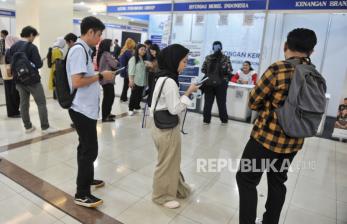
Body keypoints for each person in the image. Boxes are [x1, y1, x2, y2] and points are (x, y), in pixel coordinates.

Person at [236, 28, 318, 224]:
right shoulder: (314, 75)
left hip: (265, 140)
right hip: (294, 142)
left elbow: (253, 101)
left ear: (285, 46)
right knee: (277, 182)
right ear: (312, 51)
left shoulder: (278, 69)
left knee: (246, 179)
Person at [66, 16, 115, 208]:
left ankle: (87, 180)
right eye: (99, 34)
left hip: (85, 109)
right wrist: (102, 75)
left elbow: (84, 78)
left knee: (85, 148)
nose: (100, 38)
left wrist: (98, 76)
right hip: (81, 109)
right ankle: (82, 193)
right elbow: (77, 82)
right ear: (90, 32)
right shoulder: (79, 51)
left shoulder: (84, 50)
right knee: (89, 150)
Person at [150, 44, 199, 209]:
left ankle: (180, 189)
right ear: (174, 60)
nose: (185, 65)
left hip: (159, 126)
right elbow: (175, 108)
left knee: (172, 161)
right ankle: (161, 196)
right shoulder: (169, 81)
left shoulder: (162, 77)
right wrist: (188, 93)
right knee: (167, 163)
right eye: (184, 61)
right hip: (166, 129)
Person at [8, 26, 51, 133]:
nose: (34, 38)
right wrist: (40, 61)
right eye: (34, 36)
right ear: (31, 34)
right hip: (32, 81)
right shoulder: (31, 47)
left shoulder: (13, 47)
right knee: (41, 103)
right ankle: (45, 127)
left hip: (18, 80)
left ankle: (28, 127)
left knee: (23, 104)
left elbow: (10, 63)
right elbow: (38, 64)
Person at [201, 41, 232, 125]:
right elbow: (229, 71)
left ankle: (206, 120)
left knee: (208, 102)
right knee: (221, 102)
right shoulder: (226, 58)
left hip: (209, 83)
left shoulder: (208, 58)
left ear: (213, 48)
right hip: (221, 83)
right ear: (221, 48)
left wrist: (210, 73)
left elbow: (203, 69)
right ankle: (224, 121)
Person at [97, 38, 118, 122]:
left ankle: (107, 113)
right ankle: (105, 116)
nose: (112, 46)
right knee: (108, 98)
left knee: (109, 97)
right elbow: (114, 64)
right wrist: (115, 60)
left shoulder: (102, 54)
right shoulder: (106, 54)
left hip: (105, 79)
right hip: (107, 79)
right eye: (111, 44)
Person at [3, 35, 20, 118]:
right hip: (11, 76)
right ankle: (13, 112)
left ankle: (14, 111)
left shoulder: (7, 50)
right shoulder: (10, 51)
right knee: (12, 94)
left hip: (8, 77)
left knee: (11, 94)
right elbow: (12, 63)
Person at [128, 44, 148, 116]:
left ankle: (137, 106)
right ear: (137, 50)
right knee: (134, 95)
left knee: (139, 95)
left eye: (144, 50)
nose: (143, 51)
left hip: (142, 81)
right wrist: (131, 81)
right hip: (135, 81)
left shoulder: (142, 59)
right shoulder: (133, 59)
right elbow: (131, 71)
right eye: (141, 49)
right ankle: (130, 109)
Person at [119, 38, 136, 103]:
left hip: (125, 71)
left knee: (125, 86)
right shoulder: (129, 52)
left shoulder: (123, 51)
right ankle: (125, 98)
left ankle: (123, 98)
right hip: (128, 72)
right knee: (129, 86)